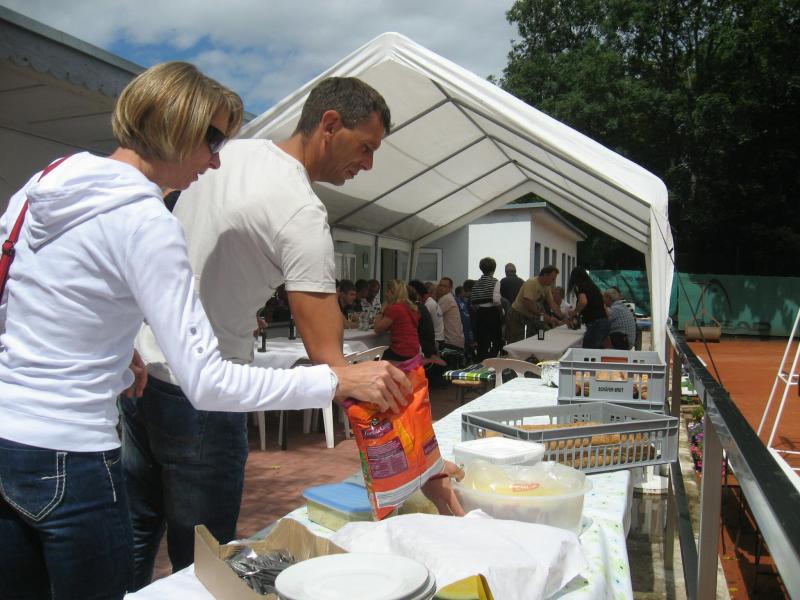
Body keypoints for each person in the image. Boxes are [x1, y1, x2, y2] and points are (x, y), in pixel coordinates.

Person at [0, 63, 408, 600]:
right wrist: (337, 381)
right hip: (86, 450)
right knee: (203, 565)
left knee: (126, 545)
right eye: (212, 140)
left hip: (19, 437)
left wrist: (119, 348)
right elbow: (210, 383)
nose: (215, 160)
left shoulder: (48, 179)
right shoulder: (151, 219)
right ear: (174, 124)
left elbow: (28, 292)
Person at [122, 76, 416, 588]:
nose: (368, 165)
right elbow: (329, 359)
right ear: (329, 124)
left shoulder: (225, 155)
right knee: (202, 562)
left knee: (135, 533)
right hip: (207, 392)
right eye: (366, 147)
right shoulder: (299, 208)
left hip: (143, 373)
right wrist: (409, 451)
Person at [505, 265, 564, 344]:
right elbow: (529, 305)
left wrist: (563, 318)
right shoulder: (531, 283)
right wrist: (546, 317)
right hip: (516, 314)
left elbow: (552, 303)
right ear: (545, 275)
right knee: (515, 343)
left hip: (530, 315)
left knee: (532, 339)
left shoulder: (546, 287)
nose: (553, 281)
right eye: (552, 279)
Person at [373, 280, 421, 362]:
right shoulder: (409, 307)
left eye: (388, 291)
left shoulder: (396, 308)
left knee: (375, 358)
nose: (385, 294)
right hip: (414, 350)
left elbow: (377, 329)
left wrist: (382, 310)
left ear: (394, 293)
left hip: (401, 350)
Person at [567, 266, 610, 349]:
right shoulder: (594, 287)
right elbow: (604, 307)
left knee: (588, 351)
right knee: (597, 351)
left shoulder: (580, 286)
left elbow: (583, 302)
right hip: (604, 322)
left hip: (595, 323)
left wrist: (574, 313)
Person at [470, 258, 504, 360]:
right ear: (494, 269)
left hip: (480, 313)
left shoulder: (476, 283)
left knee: (482, 342)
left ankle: (482, 361)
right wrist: (501, 311)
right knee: (497, 340)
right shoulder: (495, 282)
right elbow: (496, 300)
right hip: (492, 312)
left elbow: (473, 303)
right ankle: (492, 359)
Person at [436, 277, 465, 351]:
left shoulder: (446, 298)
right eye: (440, 285)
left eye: (444, 286)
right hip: (455, 340)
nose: (441, 288)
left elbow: (434, 316)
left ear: (450, 288)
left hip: (450, 341)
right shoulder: (448, 297)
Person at [423, 281, 445, 347]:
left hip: (435, 339)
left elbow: (424, 323)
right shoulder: (435, 303)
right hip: (440, 338)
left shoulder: (429, 304)